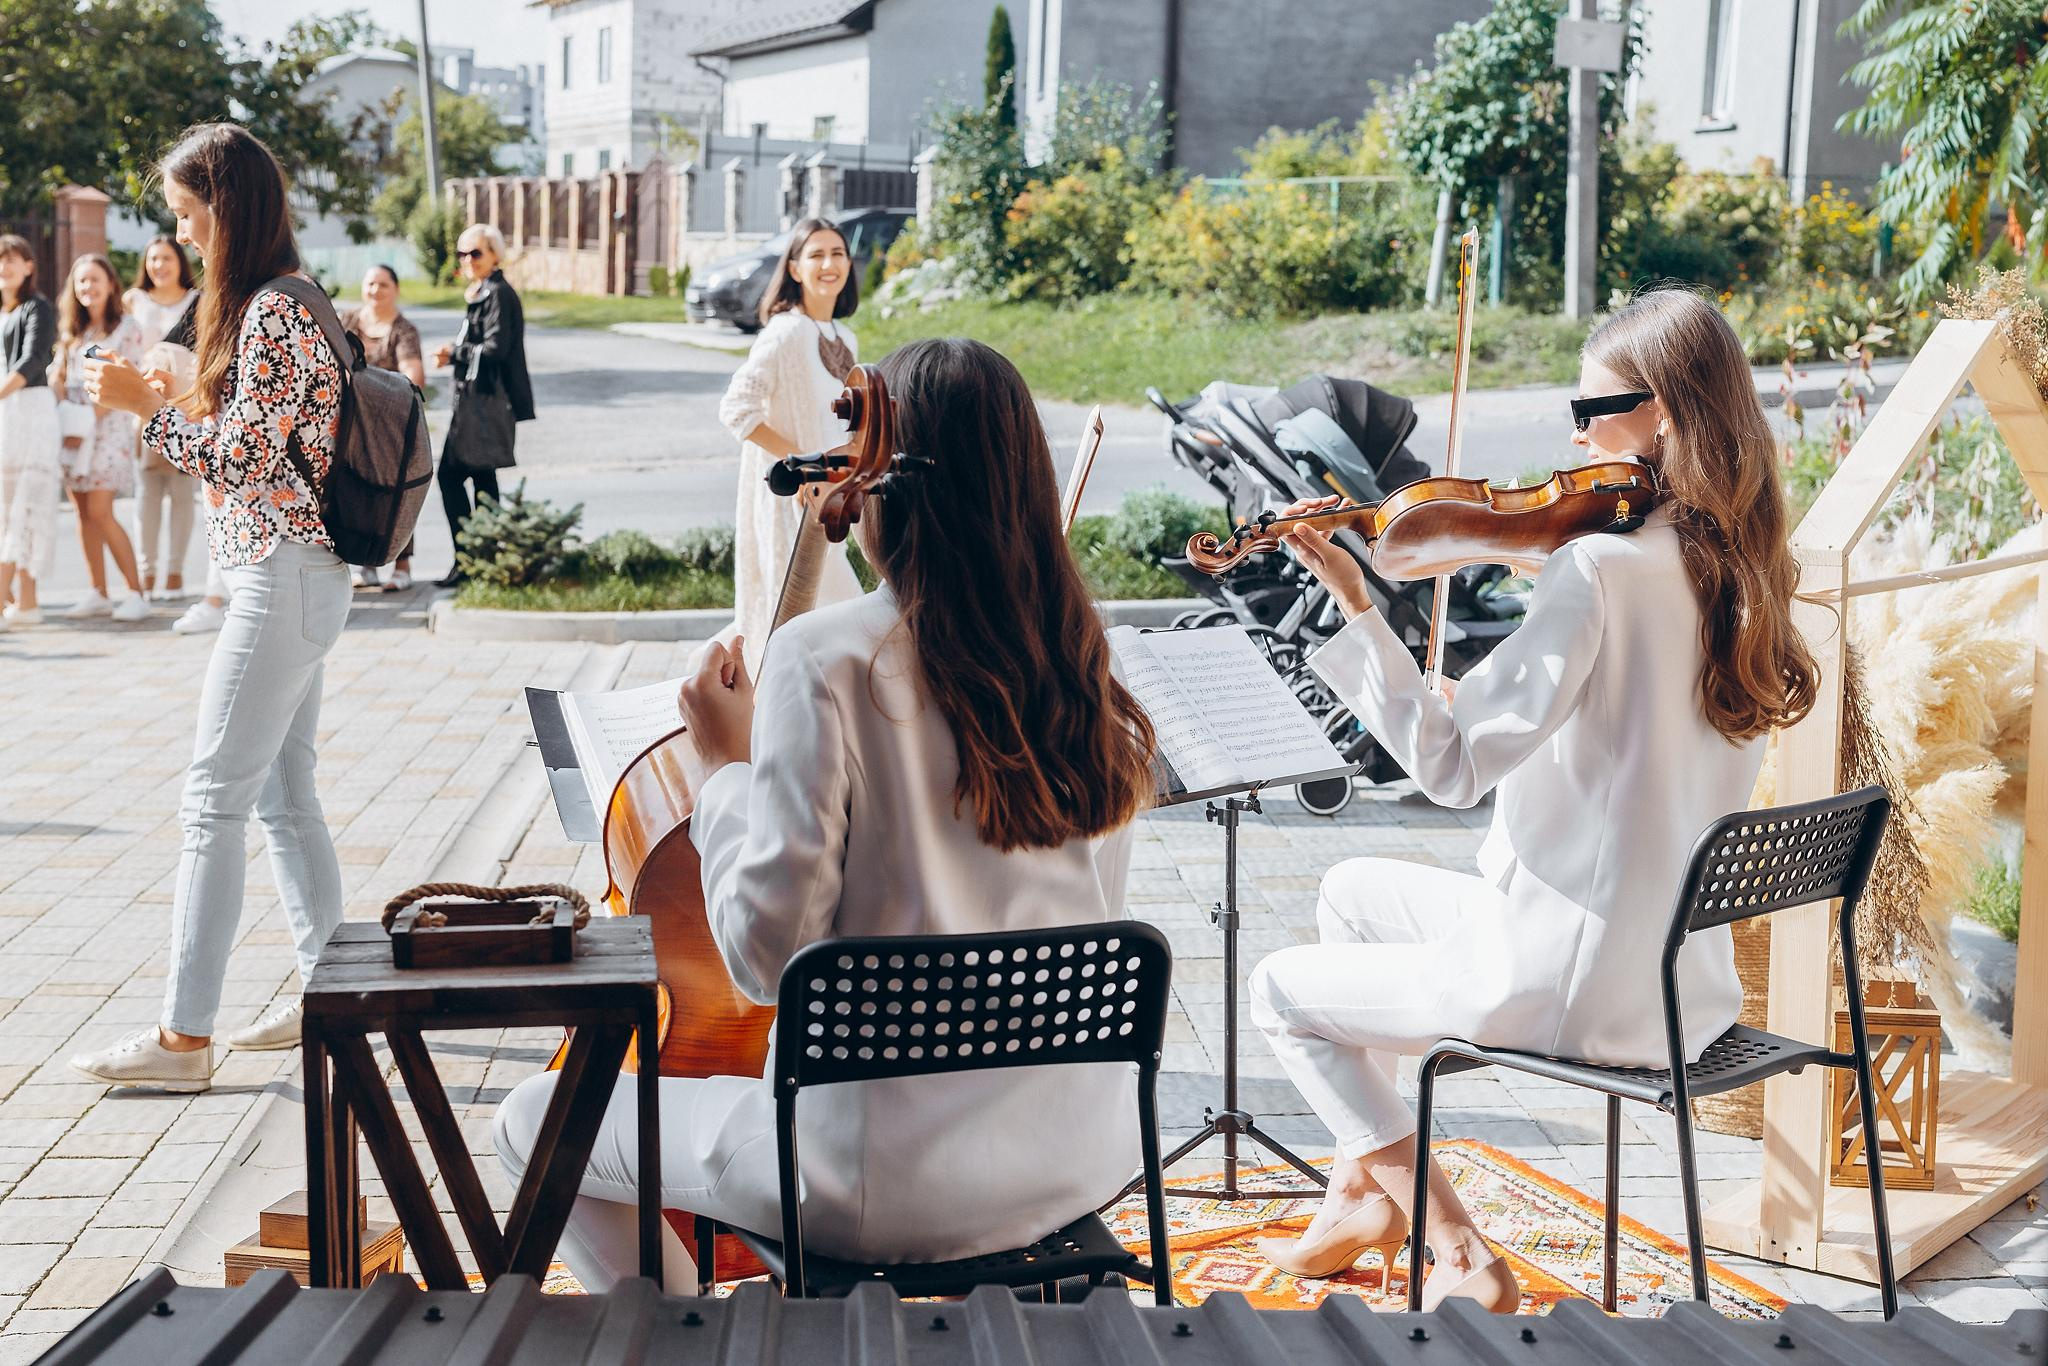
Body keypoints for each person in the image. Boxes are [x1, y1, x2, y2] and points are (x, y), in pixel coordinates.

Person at [494, 338, 1159, 1292]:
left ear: (889, 482)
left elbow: (765, 964)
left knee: (534, 1119)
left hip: (873, 1182)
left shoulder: (826, 660)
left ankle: (698, 1347)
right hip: (1074, 1156)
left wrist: (729, 763)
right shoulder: (1088, 664)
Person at [1244, 288, 1819, 1313]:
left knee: (1278, 994)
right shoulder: (1740, 567)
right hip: (1675, 982)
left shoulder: (1595, 568)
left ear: (1664, 420)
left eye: (1592, 408)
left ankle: (1455, 1245)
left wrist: (1354, 606)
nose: (1573, 434)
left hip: (1567, 983)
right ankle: (1358, 1194)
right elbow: (1625, 726)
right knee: (1346, 890)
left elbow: (1448, 771)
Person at [70, 122, 353, 1090]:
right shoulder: (293, 301)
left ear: (225, 207)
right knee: (283, 797)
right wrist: (176, 397)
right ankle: (330, 991)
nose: (184, 236)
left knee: (212, 802)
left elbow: (244, 462)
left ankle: (183, 1040)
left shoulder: (275, 310)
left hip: (280, 574)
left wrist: (138, 410)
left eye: (190, 216)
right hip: (300, 574)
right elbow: (249, 439)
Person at [716, 216, 863, 677]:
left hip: (832, 508)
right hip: (790, 508)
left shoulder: (846, 336)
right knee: (817, 629)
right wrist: (802, 467)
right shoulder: (785, 332)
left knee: (825, 633)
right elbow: (737, 409)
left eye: (837, 253)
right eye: (815, 254)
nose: (828, 263)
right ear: (795, 269)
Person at [430, 224, 532, 587]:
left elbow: (495, 350)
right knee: (480, 478)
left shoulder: (498, 294)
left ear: (494, 255)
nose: (467, 260)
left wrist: (453, 353)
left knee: (453, 476)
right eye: (462, 254)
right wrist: (454, 357)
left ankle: (473, 560)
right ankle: (481, 561)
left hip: (487, 406)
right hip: (474, 405)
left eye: (475, 253)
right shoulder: (481, 293)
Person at [54, 254, 151, 621]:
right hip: (74, 431)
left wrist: (83, 423)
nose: (88, 288)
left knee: (100, 510)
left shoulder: (126, 328)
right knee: (82, 512)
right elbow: (60, 378)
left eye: (94, 280)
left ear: (111, 284)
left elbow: (127, 381)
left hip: (104, 431)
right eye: (81, 282)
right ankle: (98, 591)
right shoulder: (73, 333)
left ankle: (136, 593)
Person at [124, 236, 199, 600]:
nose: (159, 265)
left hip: (182, 405)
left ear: (179, 261)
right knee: (146, 492)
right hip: (139, 404)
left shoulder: (196, 301)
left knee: (182, 493)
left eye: (167, 258)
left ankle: (174, 572)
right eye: (153, 258)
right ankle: (146, 572)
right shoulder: (133, 301)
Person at [343, 263, 425, 591]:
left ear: (396, 289)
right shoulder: (347, 321)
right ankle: (365, 564)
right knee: (356, 491)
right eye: (371, 284)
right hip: (351, 425)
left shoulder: (403, 330)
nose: (376, 291)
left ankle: (402, 567)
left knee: (396, 493)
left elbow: (413, 375)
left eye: (383, 285)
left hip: (391, 427)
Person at [0, 235, 59, 628]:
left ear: (29, 265)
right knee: (6, 508)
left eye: (11, 259)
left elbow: (34, 358)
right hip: (7, 415)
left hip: (31, 413)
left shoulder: (38, 307)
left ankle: (22, 598)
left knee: (29, 504)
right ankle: (20, 603)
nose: (4, 267)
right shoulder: (4, 311)